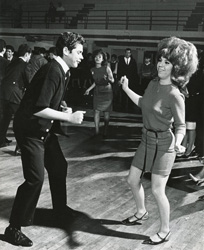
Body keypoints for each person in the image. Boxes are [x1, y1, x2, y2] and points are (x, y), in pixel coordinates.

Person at [3, 31, 85, 247]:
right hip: (30, 130)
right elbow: (39, 108)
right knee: (35, 179)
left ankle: (60, 211)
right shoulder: (53, 71)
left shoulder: (63, 70)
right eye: (79, 52)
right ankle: (13, 229)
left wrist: (61, 105)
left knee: (59, 167)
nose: (82, 57)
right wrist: (69, 116)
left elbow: (46, 99)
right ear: (66, 51)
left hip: (42, 130)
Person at [120, 36, 198, 245]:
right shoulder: (153, 84)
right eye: (160, 60)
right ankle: (141, 212)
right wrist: (127, 89)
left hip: (165, 144)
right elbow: (143, 103)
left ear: (177, 66)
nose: (161, 65)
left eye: (167, 62)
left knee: (157, 189)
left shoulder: (175, 94)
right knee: (132, 180)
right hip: (146, 140)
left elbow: (181, 126)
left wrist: (179, 142)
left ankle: (165, 230)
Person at [0, 44, 32, 150]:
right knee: (21, 120)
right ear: (27, 54)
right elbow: (29, 82)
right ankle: (20, 146)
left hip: (3, 93)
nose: (29, 58)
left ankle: (1, 141)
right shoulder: (25, 65)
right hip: (15, 95)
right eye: (29, 56)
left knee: (5, 119)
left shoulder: (11, 62)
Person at [84, 49, 114, 137]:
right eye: (96, 57)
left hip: (107, 92)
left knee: (106, 112)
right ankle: (97, 131)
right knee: (96, 111)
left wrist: (107, 79)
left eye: (99, 57)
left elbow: (112, 80)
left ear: (103, 59)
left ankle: (105, 130)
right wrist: (88, 89)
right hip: (97, 91)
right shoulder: (92, 69)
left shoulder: (107, 68)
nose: (97, 58)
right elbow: (95, 82)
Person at [117, 48, 139, 112]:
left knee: (130, 93)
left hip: (131, 80)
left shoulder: (133, 61)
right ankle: (123, 107)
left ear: (130, 53)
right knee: (123, 93)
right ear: (124, 53)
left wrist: (135, 81)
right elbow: (119, 71)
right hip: (123, 79)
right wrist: (119, 79)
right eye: (126, 52)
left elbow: (135, 72)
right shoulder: (121, 61)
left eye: (129, 53)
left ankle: (130, 107)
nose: (127, 54)